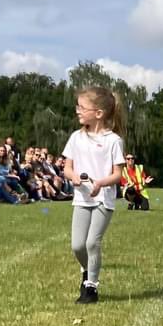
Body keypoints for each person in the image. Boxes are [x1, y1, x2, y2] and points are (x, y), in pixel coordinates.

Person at [63, 87, 126, 304]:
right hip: (81, 198)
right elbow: (67, 167)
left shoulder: (113, 141)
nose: (77, 110)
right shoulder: (75, 137)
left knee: (92, 243)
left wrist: (101, 183)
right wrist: (73, 177)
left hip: (103, 199)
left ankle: (91, 287)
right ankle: (86, 271)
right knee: (77, 245)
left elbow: (118, 174)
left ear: (98, 113)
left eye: (82, 107)